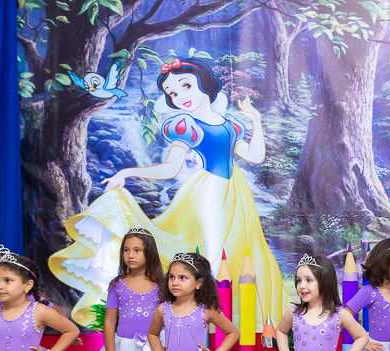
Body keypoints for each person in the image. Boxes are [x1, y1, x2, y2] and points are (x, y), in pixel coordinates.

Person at [49, 58, 289, 333]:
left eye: (185, 86)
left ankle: (234, 323)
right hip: (207, 195)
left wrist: (256, 121)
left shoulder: (230, 124)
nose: (179, 96)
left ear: (204, 83)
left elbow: (255, 156)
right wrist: (128, 172)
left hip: (235, 195)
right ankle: (201, 325)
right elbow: (170, 168)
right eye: (172, 93)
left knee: (240, 251)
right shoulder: (185, 125)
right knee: (210, 253)